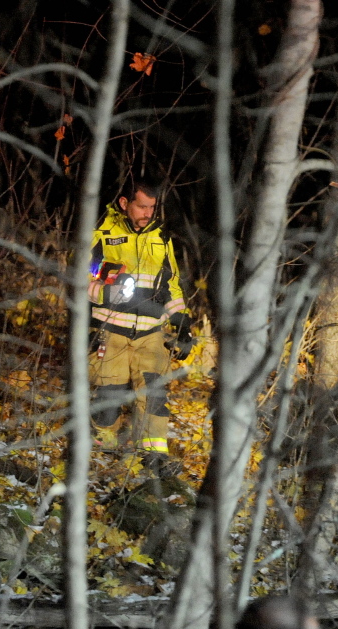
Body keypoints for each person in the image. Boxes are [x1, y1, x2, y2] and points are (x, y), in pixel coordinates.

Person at [88, 180, 193, 474]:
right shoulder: (102, 236)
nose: (148, 213)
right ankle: (103, 449)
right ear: (125, 203)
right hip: (112, 333)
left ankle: (154, 460)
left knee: (154, 397)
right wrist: (107, 294)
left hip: (150, 335)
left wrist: (182, 322)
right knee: (108, 402)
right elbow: (80, 282)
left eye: (152, 207)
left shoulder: (161, 239)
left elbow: (171, 285)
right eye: (141, 206)